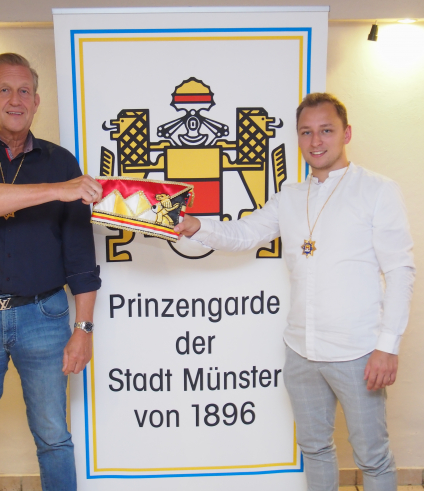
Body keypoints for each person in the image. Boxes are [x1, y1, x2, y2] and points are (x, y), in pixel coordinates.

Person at [175, 93, 415, 491]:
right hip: (301, 350)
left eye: (326, 130)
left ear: (346, 134)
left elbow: (400, 271)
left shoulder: (377, 190)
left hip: (358, 351)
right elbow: (245, 233)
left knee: (372, 458)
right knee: (315, 449)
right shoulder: (289, 196)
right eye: (306, 132)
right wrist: (198, 226)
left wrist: (387, 347)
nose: (315, 141)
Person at [0, 53, 103, 491]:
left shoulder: (61, 161)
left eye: (24, 91)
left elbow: (81, 258)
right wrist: (60, 191)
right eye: (5, 90)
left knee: (54, 438)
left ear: (36, 101)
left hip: (43, 317)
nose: (15, 100)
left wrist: (83, 329)